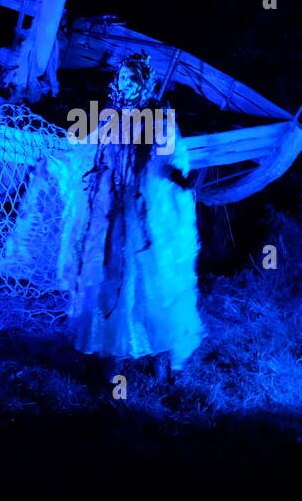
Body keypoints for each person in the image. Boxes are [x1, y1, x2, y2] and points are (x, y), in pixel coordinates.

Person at [56, 54, 204, 372]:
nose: (125, 83)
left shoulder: (158, 117)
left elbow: (171, 158)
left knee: (148, 279)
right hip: (109, 212)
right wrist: (57, 150)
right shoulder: (108, 114)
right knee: (109, 275)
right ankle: (114, 352)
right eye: (122, 77)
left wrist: (179, 178)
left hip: (141, 215)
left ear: (143, 83)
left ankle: (158, 353)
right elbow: (87, 146)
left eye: (132, 79)